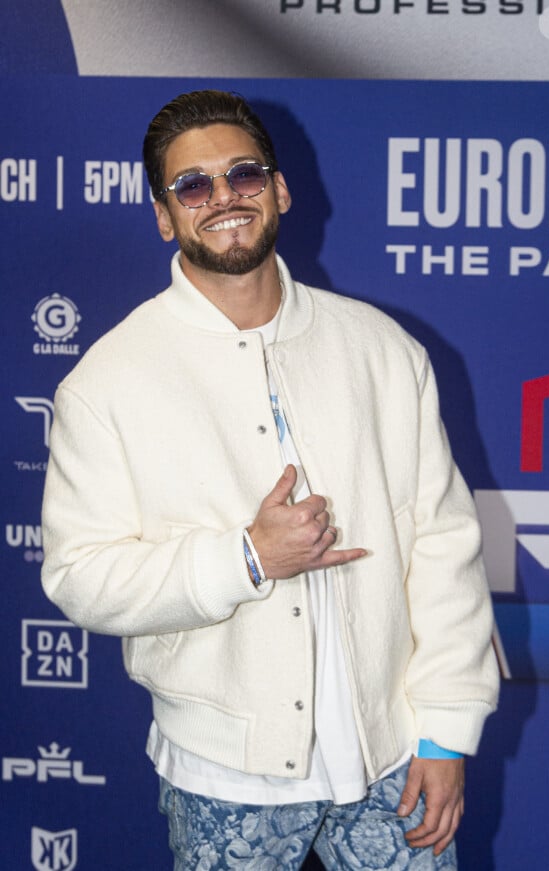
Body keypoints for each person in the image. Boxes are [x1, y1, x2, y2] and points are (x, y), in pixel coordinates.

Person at [41, 89, 499, 870]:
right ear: (164, 214)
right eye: (193, 185)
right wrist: (246, 557)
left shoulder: (381, 350)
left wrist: (446, 729)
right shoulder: (108, 381)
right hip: (224, 774)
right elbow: (79, 576)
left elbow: (444, 545)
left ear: (279, 190)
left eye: (242, 174)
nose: (223, 198)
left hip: (392, 755)